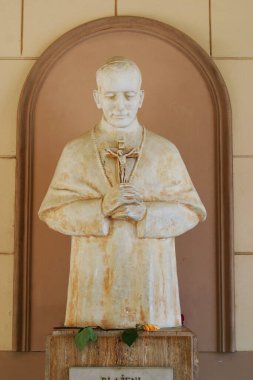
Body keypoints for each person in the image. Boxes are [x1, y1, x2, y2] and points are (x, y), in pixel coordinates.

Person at [39, 57, 206, 328]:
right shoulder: (76, 151)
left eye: (128, 96)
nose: (120, 105)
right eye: (111, 96)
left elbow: (191, 210)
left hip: (152, 294)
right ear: (97, 98)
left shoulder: (164, 151)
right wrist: (100, 208)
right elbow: (53, 211)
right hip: (92, 291)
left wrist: (146, 213)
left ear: (140, 98)